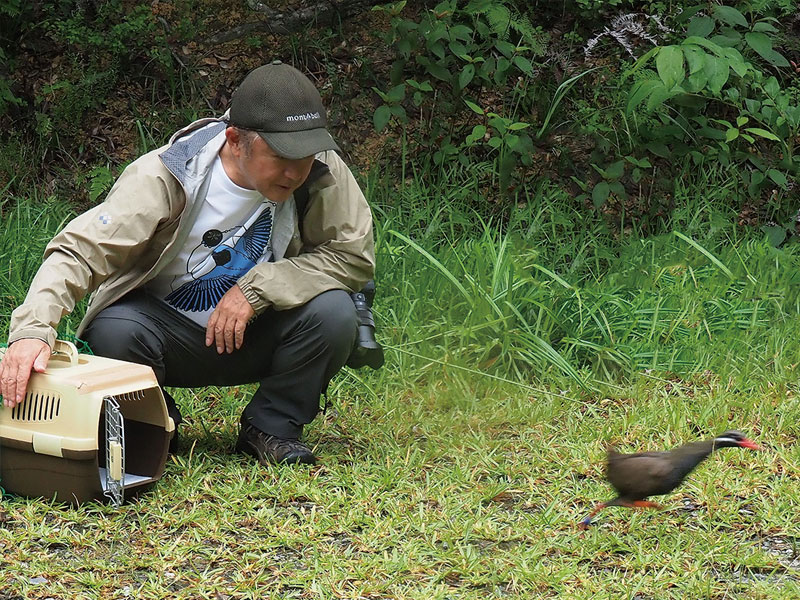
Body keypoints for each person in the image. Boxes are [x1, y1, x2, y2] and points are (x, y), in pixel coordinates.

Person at [0, 61, 375, 465]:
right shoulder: (166, 174)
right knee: (113, 329)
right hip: (163, 336)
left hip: (259, 331)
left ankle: (272, 427)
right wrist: (33, 331)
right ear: (234, 139)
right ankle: (157, 422)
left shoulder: (318, 170)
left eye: (304, 154)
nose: (295, 171)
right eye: (281, 155)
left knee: (335, 312)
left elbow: (352, 257)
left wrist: (259, 288)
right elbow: (79, 251)